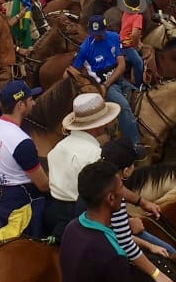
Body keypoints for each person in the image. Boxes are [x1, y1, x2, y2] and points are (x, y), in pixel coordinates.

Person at [45, 93, 121, 239]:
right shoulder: (95, 154)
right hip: (81, 217)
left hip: (53, 214)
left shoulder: (57, 148)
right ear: (96, 126)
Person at [0, 79, 48, 242]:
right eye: (31, 99)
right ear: (20, 105)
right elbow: (44, 185)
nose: (34, 103)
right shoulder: (22, 142)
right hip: (22, 203)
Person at [70, 15, 143, 152]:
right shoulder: (85, 48)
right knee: (124, 106)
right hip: (104, 86)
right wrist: (92, 86)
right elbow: (71, 70)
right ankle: (134, 145)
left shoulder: (114, 37)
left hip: (114, 81)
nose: (97, 37)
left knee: (141, 97)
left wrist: (107, 83)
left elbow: (121, 65)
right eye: (94, 34)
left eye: (99, 34)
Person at [117, 0, 147, 87]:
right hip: (127, 45)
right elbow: (134, 34)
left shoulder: (125, 13)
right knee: (138, 63)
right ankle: (139, 86)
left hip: (120, 41)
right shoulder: (138, 17)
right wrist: (136, 45)